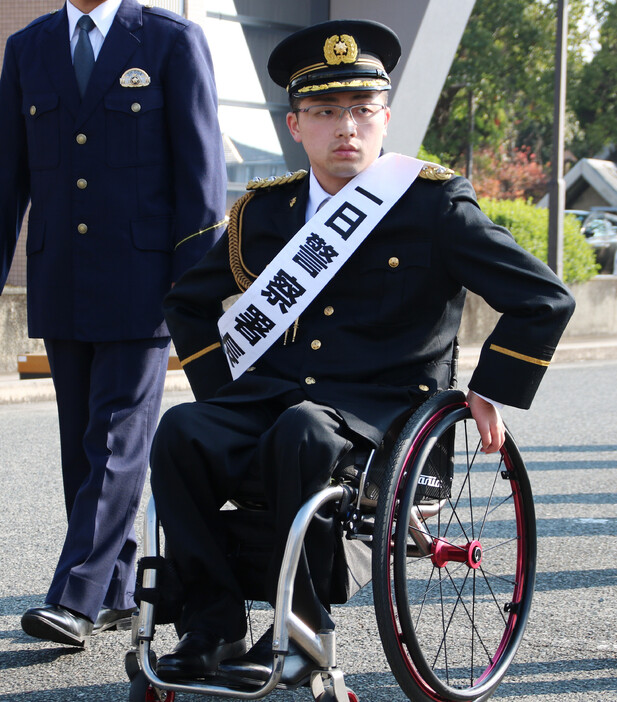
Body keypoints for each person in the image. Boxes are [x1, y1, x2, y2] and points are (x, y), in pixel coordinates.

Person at [148, 18, 575, 683]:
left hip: (385, 411)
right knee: (182, 430)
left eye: (360, 110)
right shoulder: (266, 214)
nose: (344, 127)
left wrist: (489, 390)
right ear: (296, 126)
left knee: (302, 431)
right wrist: (224, 397)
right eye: (323, 112)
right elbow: (186, 303)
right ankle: (211, 627)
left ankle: (303, 626)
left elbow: (542, 299)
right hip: (275, 399)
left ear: (383, 119)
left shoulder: (432, 208)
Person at [0, 0, 226, 647]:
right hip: (60, 278)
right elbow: (5, 181)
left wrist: (194, 292)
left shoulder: (170, 41)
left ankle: (74, 597)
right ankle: (119, 588)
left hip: (143, 285)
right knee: (81, 448)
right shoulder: (28, 47)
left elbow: (202, 178)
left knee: (116, 441)